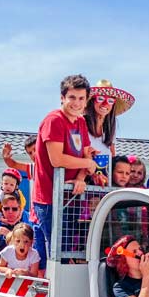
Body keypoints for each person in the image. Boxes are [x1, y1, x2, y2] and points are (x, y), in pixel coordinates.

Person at [32, 74, 99, 275]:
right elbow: (57, 159)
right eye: (72, 97)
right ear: (62, 97)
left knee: (69, 248)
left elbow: (87, 154)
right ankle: (53, 296)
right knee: (55, 251)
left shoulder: (80, 123)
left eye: (80, 98)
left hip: (70, 195)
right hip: (49, 198)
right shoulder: (54, 120)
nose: (76, 103)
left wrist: (80, 178)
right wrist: (88, 163)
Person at [83, 79, 136, 183]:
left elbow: (112, 157)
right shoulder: (81, 123)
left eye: (110, 101)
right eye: (100, 98)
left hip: (103, 183)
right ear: (92, 100)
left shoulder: (110, 129)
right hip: (83, 182)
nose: (105, 104)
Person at [0, 192, 28, 260]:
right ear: (1, 209)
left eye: (14, 209)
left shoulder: (25, 222)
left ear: (20, 209)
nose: (10, 212)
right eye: (6, 208)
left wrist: (11, 235)